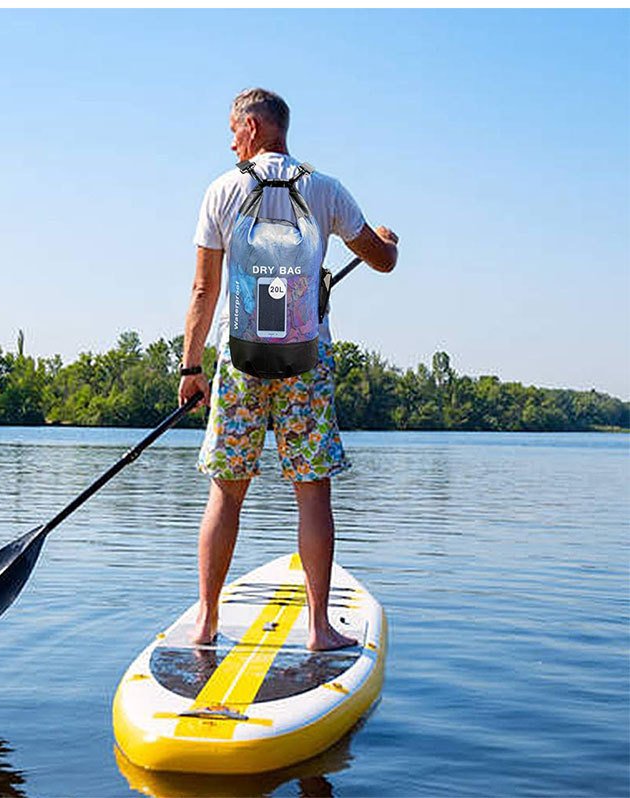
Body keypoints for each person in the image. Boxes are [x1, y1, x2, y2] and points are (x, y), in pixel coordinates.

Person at [178, 88, 398, 651]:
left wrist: (191, 366)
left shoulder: (221, 190)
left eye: (233, 130)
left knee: (226, 492)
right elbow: (382, 261)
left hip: (241, 358)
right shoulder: (326, 189)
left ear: (252, 127)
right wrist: (386, 242)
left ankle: (206, 621)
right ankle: (319, 628)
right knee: (313, 491)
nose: (231, 142)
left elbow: (204, 289)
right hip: (306, 359)